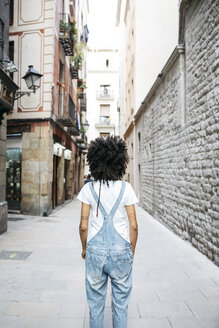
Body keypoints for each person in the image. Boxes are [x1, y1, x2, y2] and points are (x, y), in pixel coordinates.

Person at [78, 136, 138, 328]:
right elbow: (134, 225)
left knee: (95, 305)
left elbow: (83, 225)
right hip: (122, 251)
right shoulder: (126, 188)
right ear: (119, 161)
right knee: (121, 304)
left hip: (95, 251)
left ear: (95, 162)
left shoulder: (89, 189)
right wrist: (131, 250)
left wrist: (84, 248)